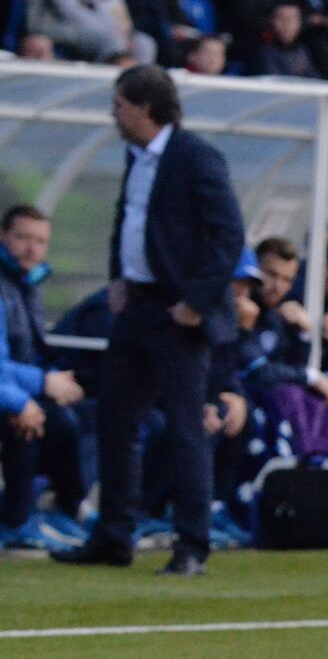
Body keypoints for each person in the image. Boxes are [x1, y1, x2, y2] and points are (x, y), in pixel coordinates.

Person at [54, 65, 244, 575]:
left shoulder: (195, 157)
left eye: (119, 105)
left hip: (177, 312)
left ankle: (192, 544)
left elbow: (229, 235)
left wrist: (197, 301)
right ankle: (114, 535)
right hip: (137, 306)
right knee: (116, 418)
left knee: (184, 426)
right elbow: (129, 220)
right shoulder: (136, 157)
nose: (113, 115)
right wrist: (118, 276)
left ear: (144, 108)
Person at [0, 205, 87, 551]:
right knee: (35, 421)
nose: (31, 249)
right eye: (22, 238)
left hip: (12, 388)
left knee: (83, 417)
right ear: (3, 237)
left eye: (39, 241)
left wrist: (53, 378)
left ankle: (64, 510)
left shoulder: (28, 285)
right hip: (9, 391)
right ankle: (17, 521)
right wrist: (29, 393)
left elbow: (26, 353)